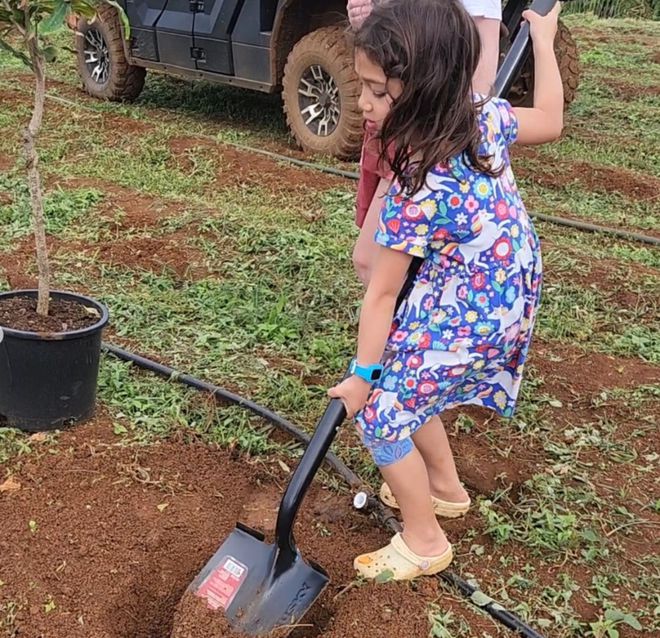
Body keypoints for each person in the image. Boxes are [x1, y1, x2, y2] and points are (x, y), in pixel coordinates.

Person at [329, 0, 563, 580]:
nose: (363, 104)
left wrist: (363, 375)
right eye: (363, 87)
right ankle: (445, 489)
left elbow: (382, 294)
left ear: (425, 86)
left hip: (471, 308)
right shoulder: (480, 115)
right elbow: (551, 121)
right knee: (404, 373)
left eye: (379, 92)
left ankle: (424, 539)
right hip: (500, 290)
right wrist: (543, 40)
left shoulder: (417, 182)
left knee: (382, 415)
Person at [348, 0, 503, 285]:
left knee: (373, 263)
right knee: (373, 260)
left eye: (376, 90)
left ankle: (393, 321)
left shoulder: (421, 166)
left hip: (424, 137)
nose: (360, 101)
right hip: (402, 128)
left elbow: (477, 88)